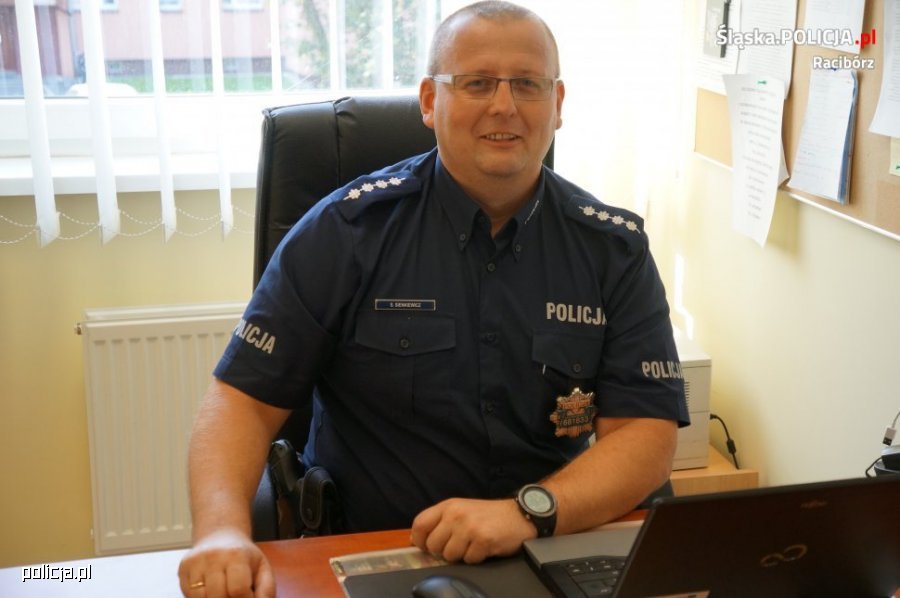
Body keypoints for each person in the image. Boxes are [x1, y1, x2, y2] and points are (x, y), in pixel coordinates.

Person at [178, 1, 688, 596]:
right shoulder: (345, 233)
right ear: (429, 101)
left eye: (528, 84)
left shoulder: (612, 250)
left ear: (557, 103)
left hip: (549, 542)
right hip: (379, 553)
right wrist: (220, 531)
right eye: (477, 83)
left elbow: (645, 436)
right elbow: (241, 402)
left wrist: (527, 513)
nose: (505, 105)